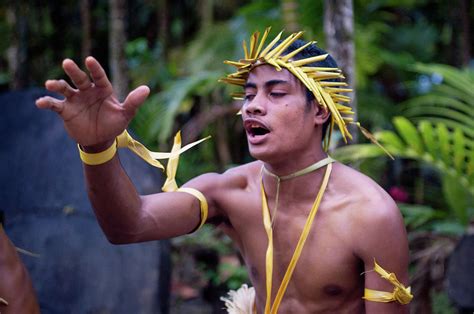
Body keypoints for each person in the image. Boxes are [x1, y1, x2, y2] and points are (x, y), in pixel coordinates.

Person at [36, 28, 412, 313]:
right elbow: (128, 225)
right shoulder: (229, 190)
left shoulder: (369, 214)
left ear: (319, 111)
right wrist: (97, 146)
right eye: (249, 95)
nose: (252, 107)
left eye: (275, 93)